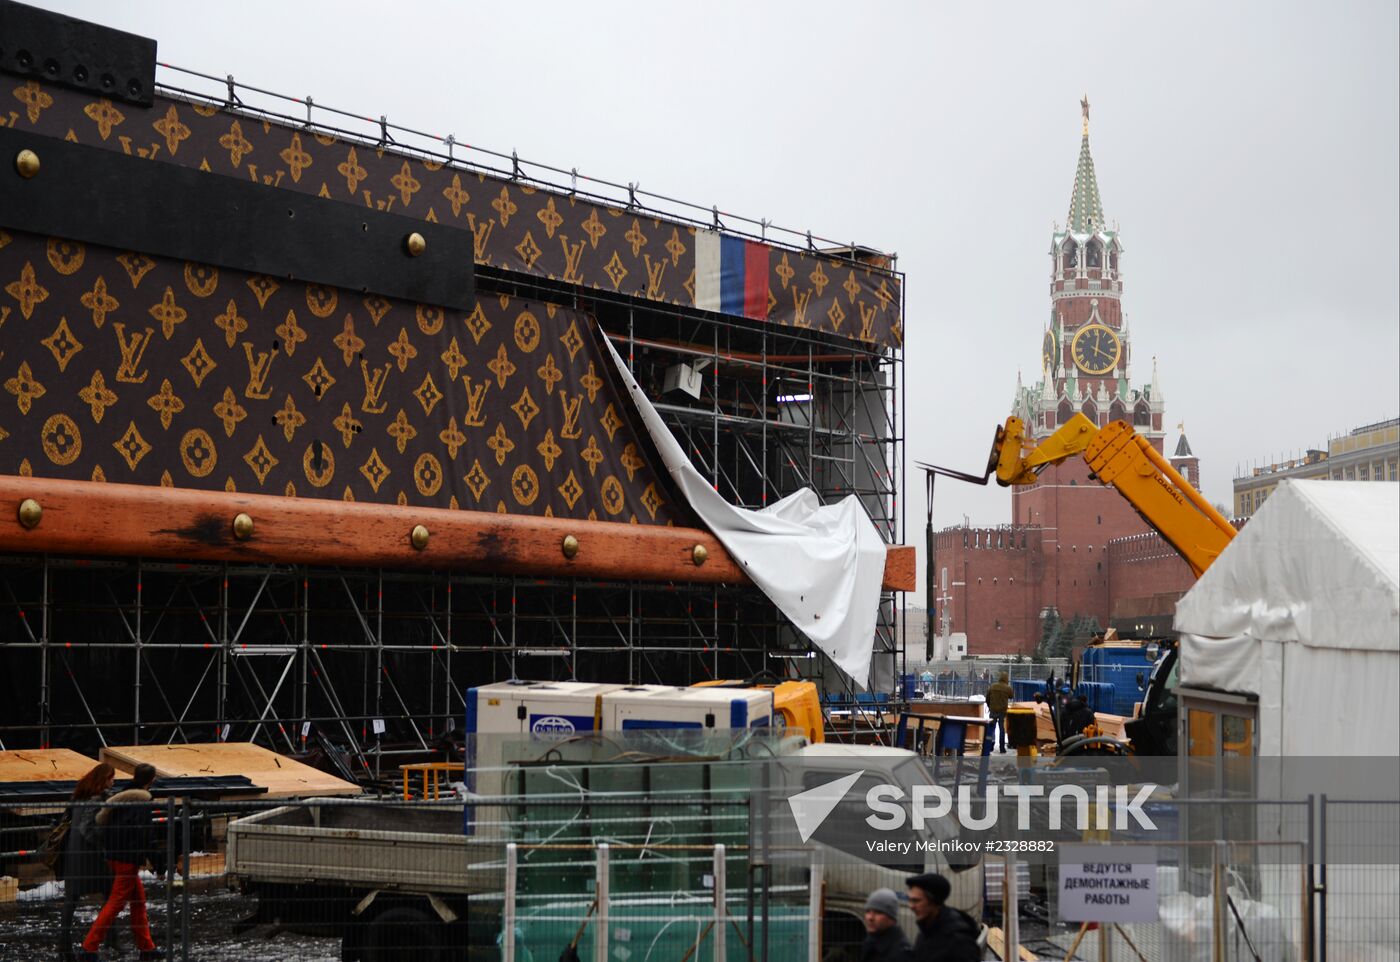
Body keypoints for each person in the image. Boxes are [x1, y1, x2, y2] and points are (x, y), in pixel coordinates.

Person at [80, 763, 164, 962]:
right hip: (128, 858)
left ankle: (147, 948)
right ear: (151, 781)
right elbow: (146, 834)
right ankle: (88, 948)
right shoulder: (142, 802)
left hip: (116, 855)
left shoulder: (122, 796)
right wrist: (158, 863)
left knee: (138, 902)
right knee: (116, 903)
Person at [58, 762, 122, 961]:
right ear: (103, 779)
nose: (113, 781)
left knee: (71, 902)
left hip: (74, 857)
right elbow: (88, 829)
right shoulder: (97, 799)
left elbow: (67, 821)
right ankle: (111, 940)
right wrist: (104, 845)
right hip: (91, 859)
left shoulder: (78, 796)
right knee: (110, 898)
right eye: (111, 778)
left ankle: (64, 946)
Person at [904, 873, 980, 962]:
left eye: (916, 901)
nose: (911, 906)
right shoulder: (926, 931)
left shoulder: (958, 940)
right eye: (910, 900)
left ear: (934, 901)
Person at [860, 888, 912, 961]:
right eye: (868, 911)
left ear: (891, 917)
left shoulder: (901, 953)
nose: (870, 918)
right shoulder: (871, 941)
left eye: (878, 912)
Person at [985, 673, 1014, 753]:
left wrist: (990, 706)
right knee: (1002, 729)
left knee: (991, 729)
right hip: (1002, 711)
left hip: (993, 710)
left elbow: (987, 698)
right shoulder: (1007, 688)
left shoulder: (993, 686)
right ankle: (1002, 748)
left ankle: (990, 746)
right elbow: (1011, 696)